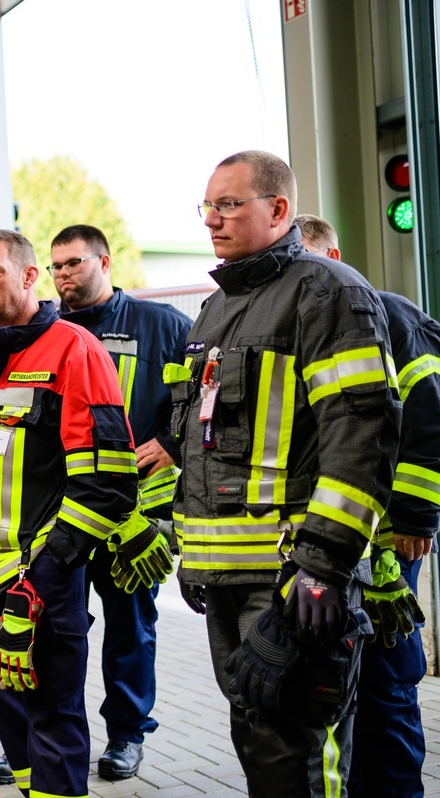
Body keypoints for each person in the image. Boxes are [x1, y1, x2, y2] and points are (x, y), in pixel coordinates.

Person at [173, 152, 398, 797]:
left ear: (278, 210)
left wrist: (324, 565)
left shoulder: (327, 292)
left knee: (299, 754)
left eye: (229, 204)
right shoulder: (217, 309)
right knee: (261, 749)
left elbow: (361, 439)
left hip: (296, 585)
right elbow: (204, 446)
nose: (212, 219)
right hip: (229, 580)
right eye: (208, 206)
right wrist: (196, 557)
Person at [0, 229, 137, 796]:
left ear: (30, 276)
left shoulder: (74, 349)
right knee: (12, 723)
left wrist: (50, 569)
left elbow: (107, 481)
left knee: (53, 720)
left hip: (40, 581)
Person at [297, 213, 435, 798]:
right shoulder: (297, 325)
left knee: (384, 676)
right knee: (332, 680)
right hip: (326, 536)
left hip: (385, 539)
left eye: (306, 262)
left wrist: (410, 518)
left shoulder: (390, 313)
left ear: (332, 257)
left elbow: (430, 421)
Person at [53, 224, 189, 779]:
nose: (64, 275)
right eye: (57, 265)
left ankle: (127, 737)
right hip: (61, 514)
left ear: (105, 262)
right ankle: (49, 735)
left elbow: (206, 395)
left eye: (75, 263)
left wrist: (174, 442)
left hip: (134, 517)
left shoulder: (163, 327)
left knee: (130, 626)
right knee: (51, 626)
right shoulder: (47, 331)